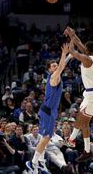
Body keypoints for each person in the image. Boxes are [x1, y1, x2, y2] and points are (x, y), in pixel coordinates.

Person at [26, 43, 72, 174]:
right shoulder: (53, 77)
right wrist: (64, 54)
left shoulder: (55, 75)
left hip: (50, 111)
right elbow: (62, 66)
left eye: (56, 65)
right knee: (46, 137)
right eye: (53, 66)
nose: (56, 66)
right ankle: (33, 162)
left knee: (46, 136)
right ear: (49, 69)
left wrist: (70, 54)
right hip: (47, 111)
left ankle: (39, 163)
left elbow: (63, 64)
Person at [63, 27, 93, 162]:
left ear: (87, 49)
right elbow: (79, 43)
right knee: (84, 122)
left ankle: (72, 140)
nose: (83, 47)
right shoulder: (92, 56)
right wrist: (71, 33)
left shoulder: (87, 59)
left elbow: (73, 52)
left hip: (91, 94)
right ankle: (86, 150)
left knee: (80, 119)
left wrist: (69, 44)